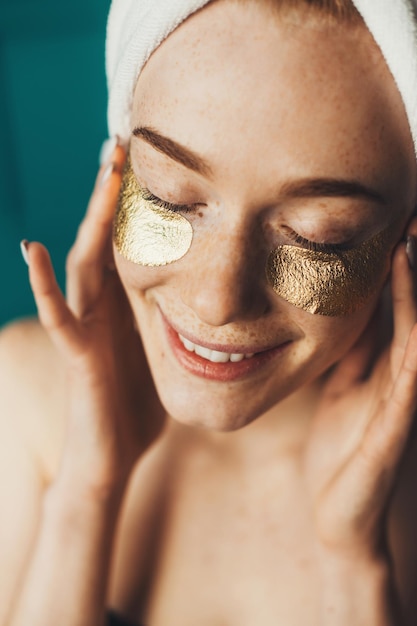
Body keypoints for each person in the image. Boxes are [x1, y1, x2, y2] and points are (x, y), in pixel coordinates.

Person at [1, 0, 417, 624]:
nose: (217, 301)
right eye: (169, 197)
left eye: (319, 237)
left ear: (405, 239)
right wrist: (85, 493)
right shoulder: (24, 394)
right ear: (115, 170)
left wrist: (357, 562)